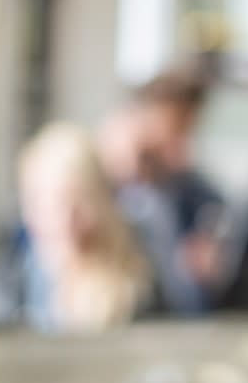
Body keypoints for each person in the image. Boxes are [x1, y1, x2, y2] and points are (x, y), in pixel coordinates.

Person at [98, 70, 230, 313]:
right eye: (177, 128)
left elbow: (218, 213)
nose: (183, 142)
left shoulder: (189, 189)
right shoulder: (106, 185)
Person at [12, 121, 153, 331]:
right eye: (46, 204)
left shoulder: (138, 292)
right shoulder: (11, 287)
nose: (63, 222)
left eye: (77, 204)